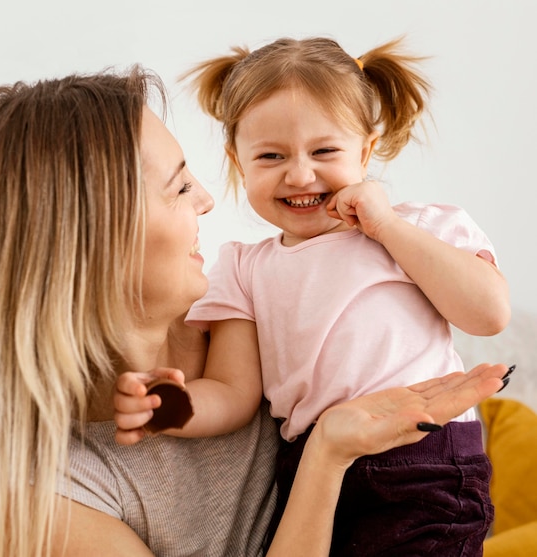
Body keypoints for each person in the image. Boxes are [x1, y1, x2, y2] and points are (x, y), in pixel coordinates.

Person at [0, 65, 510, 557]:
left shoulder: (240, 304)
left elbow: (476, 310)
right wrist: (329, 451)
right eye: (180, 188)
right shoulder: (54, 502)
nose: (208, 199)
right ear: (94, 238)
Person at [114, 36, 512, 555]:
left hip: (423, 457)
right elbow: (234, 393)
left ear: (366, 150)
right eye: (270, 155)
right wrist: (170, 408)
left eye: (324, 151)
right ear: (238, 161)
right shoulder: (243, 267)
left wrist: (388, 227)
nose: (300, 174)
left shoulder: (418, 227)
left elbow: (489, 314)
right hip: (310, 469)